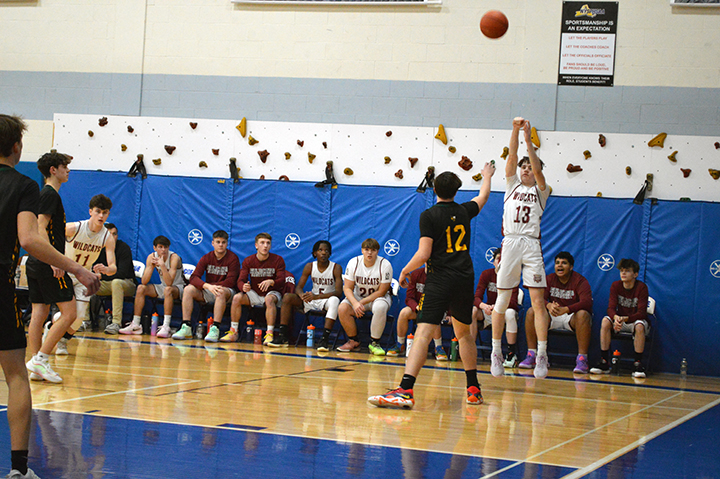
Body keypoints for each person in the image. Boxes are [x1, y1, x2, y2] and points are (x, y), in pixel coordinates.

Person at [1, 113, 99, 479]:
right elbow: (30, 238)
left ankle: (40, 356)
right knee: (15, 377)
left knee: (41, 312)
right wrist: (74, 267)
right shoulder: (28, 187)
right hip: (5, 282)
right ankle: (18, 469)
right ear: (16, 147)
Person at [368, 163, 495, 409]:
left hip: (439, 279)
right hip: (463, 278)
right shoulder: (465, 210)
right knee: (463, 333)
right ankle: (473, 389)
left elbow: (424, 253)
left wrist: (405, 270)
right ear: (456, 191)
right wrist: (487, 176)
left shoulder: (429, 215)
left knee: (424, 333)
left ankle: (405, 390)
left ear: (434, 188)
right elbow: (483, 196)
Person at [491, 117, 551, 379]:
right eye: (523, 167)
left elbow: (537, 170)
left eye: (529, 166)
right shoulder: (511, 185)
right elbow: (512, 156)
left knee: (538, 302)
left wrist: (529, 139)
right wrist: (515, 130)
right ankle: (496, 352)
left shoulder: (542, 189)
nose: (526, 169)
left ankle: (541, 354)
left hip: (531, 244)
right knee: (502, 300)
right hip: (511, 242)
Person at [24, 151, 78, 384]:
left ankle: (36, 365)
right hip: (46, 262)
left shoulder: (46, 194)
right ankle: (42, 359)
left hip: (35, 261)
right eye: (64, 166)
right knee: (70, 314)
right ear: (53, 170)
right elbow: (40, 227)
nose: (68, 170)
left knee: (40, 312)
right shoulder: (49, 195)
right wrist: (53, 260)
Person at [57, 194, 116, 354]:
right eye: (98, 211)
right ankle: (53, 334)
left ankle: (61, 339)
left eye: (105, 212)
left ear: (108, 214)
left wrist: (105, 269)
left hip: (84, 276)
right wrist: (55, 261)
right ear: (90, 211)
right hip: (65, 273)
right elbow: (51, 237)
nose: (101, 216)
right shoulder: (73, 228)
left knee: (79, 318)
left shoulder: (107, 237)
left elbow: (113, 268)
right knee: (68, 314)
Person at [518, 251, 593, 374]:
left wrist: (567, 309)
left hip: (570, 317)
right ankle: (532, 355)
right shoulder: (549, 279)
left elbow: (587, 302)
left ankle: (582, 359)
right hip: (552, 316)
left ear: (571, 267)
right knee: (532, 312)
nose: (560, 266)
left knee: (583, 314)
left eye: (564, 263)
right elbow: (538, 298)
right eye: (557, 263)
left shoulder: (580, 281)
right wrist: (548, 305)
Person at [269, 240, 342, 349]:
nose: (323, 253)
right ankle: (282, 336)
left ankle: (324, 340)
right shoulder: (309, 266)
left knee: (335, 300)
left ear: (330, 254)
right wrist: (302, 295)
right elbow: (298, 287)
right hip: (311, 299)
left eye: (326, 251)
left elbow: (338, 292)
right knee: (288, 297)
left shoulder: (336, 268)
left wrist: (316, 296)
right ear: (314, 253)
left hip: (326, 300)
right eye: (320, 250)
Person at [173, 230, 239, 341]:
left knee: (220, 291)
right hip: (209, 289)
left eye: (223, 242)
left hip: (226, 292)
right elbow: (194, 277)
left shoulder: (233, 258)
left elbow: (231, 281)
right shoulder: (207, 257)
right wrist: (207, 286)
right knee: (188, 289)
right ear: (212, 243)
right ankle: (186, 327)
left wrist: (214, 287)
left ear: (227, 244)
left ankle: (215, 328)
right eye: (218, 242)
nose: (221, 245)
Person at [590, 259, 649, 378]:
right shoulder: (615, 285)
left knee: (639, 326)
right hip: (620, 320)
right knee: (605, 321)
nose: (623, 273)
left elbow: (642, 313)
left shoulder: (641, 287)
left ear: (635, 274)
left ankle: (637, 363)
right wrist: (616, 318)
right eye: (622, 271)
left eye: (627, 271)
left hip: (633, 320)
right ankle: (604, 361)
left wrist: (626, 319)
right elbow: (610, 308)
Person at [336, 238, 393, 356]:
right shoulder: (353, 262)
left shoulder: (385, 265)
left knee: (380, 306)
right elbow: (347, 288)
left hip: (377, 298)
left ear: (377, 251)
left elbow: (382, 291)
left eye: (373, 250)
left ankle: (375, 343)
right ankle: (353, 340)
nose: (370, 253)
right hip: (358, 297)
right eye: (367, 250)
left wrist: (361, 302)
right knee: (342, 308)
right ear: (362, 250)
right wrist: (355, 303)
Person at [120, 235, 184, 338]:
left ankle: (166, 326)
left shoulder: (174, 258)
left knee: (168, 290)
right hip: (163, 286)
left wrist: (162, 266)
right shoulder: (151, 256)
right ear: (155, 248)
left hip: (178, 288)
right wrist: (151, 267)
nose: (163, 250)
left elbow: (169, 282)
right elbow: (144, 281)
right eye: (160, 247)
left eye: (166, 247)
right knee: (141, 288)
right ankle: (136, 324)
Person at [228, 233, 286, 345]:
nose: (265, 246)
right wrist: (243, 287)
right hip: (254, 293)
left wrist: (272, 281)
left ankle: (269, 334)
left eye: (268, 243)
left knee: (269, 300)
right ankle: (234, 331)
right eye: (262, 243)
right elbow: (240, 280)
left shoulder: (278, 260)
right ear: (256, 245)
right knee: (236, 298)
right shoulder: (249, 260)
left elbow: (282, 281)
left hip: (272, 293)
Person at [472, 247, 521, 368]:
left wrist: (498, 306)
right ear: (493, 261)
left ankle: (511, 354)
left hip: (504, 313)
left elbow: (514, 302)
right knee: (472, 310)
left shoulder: (512, 276)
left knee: (510, 313)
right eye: (498, 259)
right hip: (489, 312)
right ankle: (470, 349)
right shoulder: (487, 274)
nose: (500, 261)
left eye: (504, 259)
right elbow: (476, 297)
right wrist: (484, 306)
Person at [386, 266, 448, 361]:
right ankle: (400, 344)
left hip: (436, 309)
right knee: (404, 312)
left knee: (434, 314)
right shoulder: (416, 274)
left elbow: (448, 298)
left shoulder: (443, 276)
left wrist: (449, 314)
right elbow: (409, 298)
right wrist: (417, 307)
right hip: (419, 309)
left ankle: (438, 348)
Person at [90, 223, 136, 334]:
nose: (112, 237)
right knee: (87, 283)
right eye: (109, 234)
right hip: (106, 283)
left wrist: (103, 274)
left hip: (127, 283)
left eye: (114, 234)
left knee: (116, 282)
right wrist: (94, 273)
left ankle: (116, 323)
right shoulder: (97, 248)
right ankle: (84, 321)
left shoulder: (123, 248)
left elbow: (121, 273)